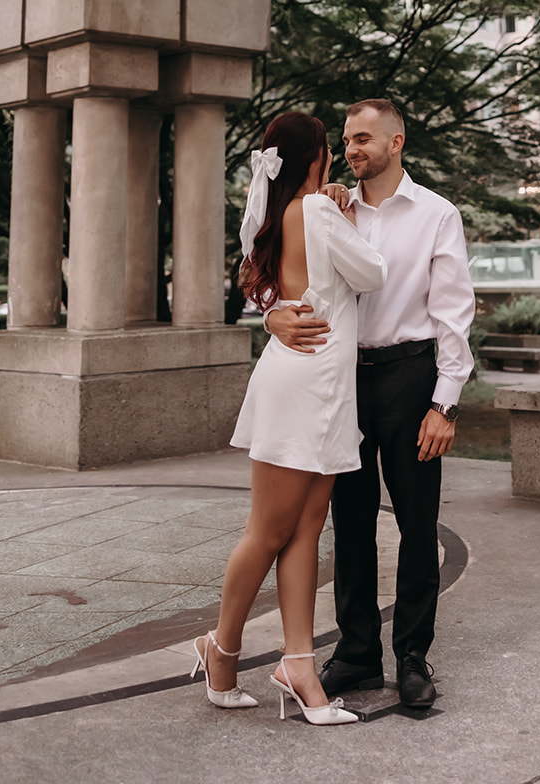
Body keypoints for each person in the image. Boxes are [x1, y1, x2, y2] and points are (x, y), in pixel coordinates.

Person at [265, 98, 475, 710]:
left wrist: (446, 403)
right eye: (347, 140)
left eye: (363, 139)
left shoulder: (437, 214)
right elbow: (281, 276)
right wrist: (273, 315)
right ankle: (356, 653)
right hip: (339, 381)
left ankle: (412, 655)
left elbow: (454, 313)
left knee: (416, 523)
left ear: (396, 143)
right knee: (348, 523)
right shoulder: (326, 209)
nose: (352, 149)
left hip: (410, 377)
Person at [191, 110, 386, 727]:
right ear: (318, 157)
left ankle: (298, 662)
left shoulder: (282, 214)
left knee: (305, 529)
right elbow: (373, 274)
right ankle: (220, 649)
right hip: (306, 385)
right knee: (269, 530)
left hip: (323, 385)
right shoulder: (319, 211)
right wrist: (346, 210)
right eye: (331, 150)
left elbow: (272, 291)